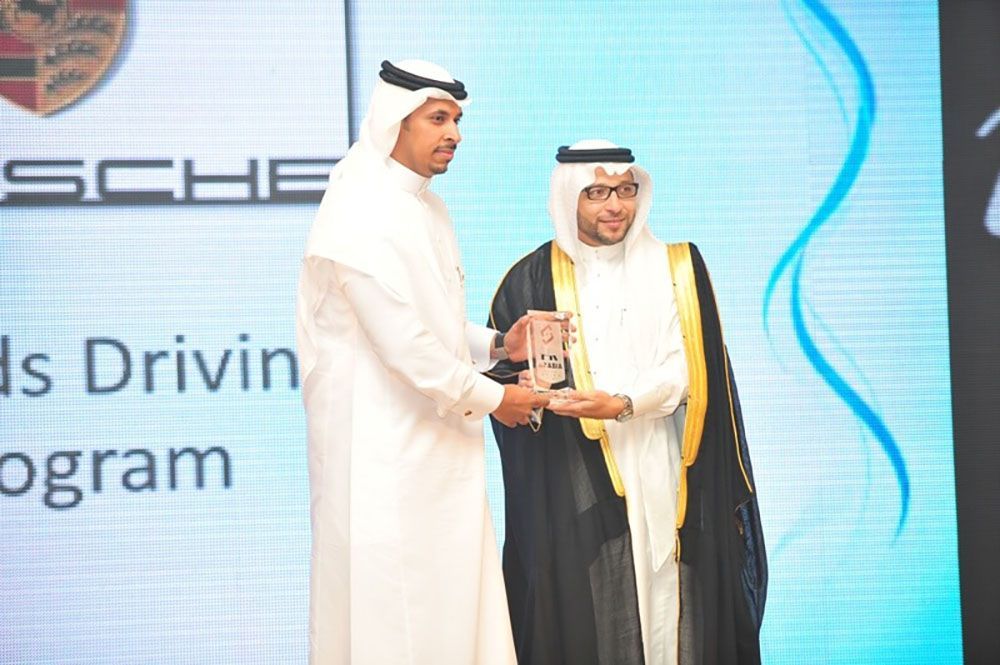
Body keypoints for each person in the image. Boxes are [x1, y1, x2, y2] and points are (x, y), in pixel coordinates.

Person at [296, 59, 551, 664]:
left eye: (458, 120)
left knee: (449, 607)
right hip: (382, 452)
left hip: (437, 443)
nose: (454, 134)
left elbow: (429, 322)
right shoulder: (357, 206)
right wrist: (498, 399)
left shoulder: (426, 206)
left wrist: (497, 346)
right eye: (438, 118)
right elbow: (402, 343)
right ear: (395, 122)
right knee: (393, 615)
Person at [487, 140, 767, 665]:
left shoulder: (676, 267)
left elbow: (691, 367)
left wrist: (620, 403)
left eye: (624, 190)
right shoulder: (529, 278)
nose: (614, 205)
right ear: (569, 198)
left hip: (665, 462)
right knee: (587, 603)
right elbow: (504, 389)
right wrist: (532, 396)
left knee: (668, 591)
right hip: (576, 478)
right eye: (596, 193)